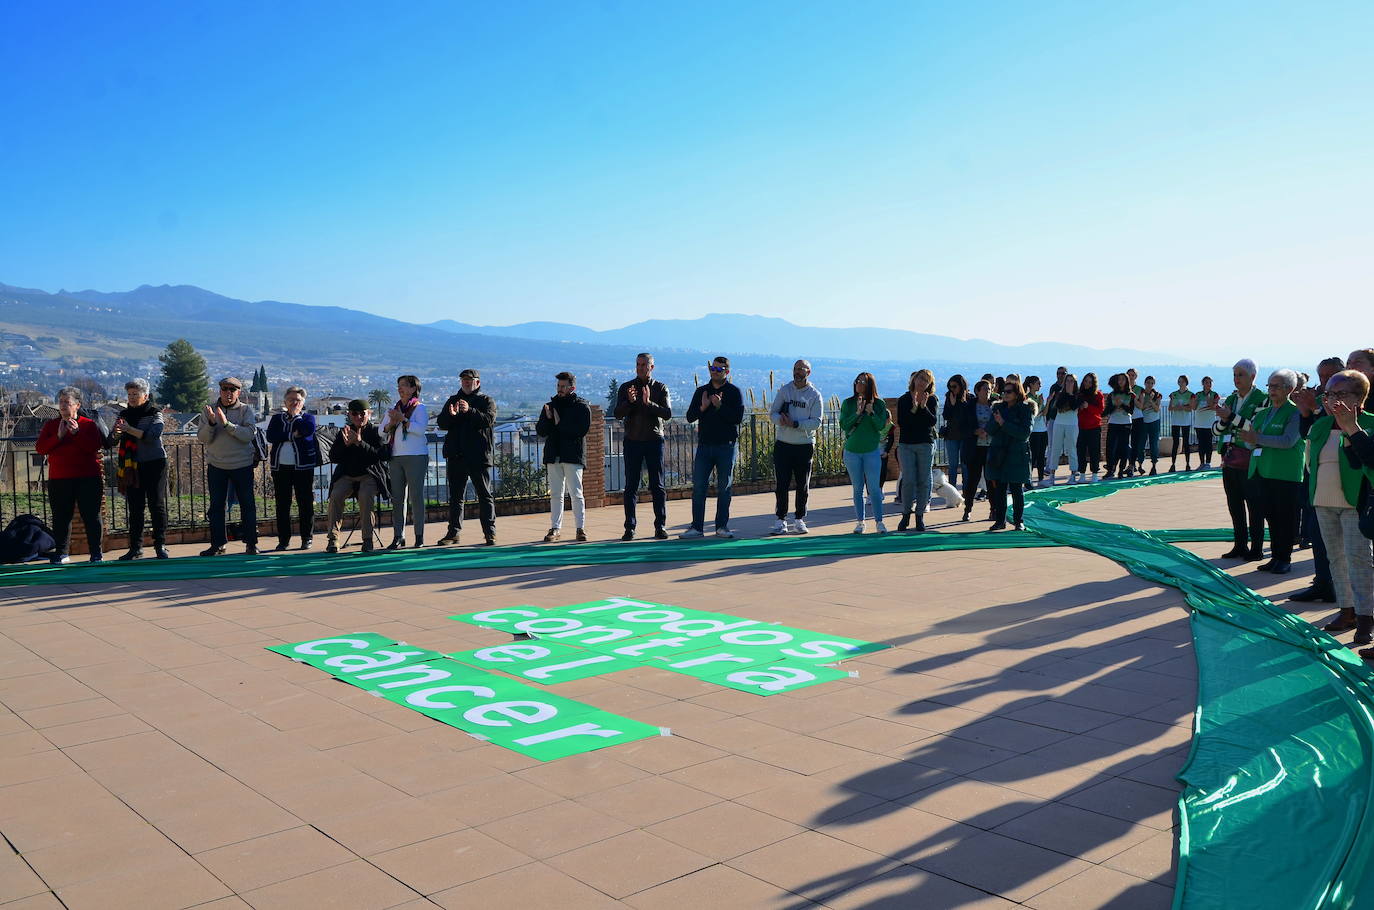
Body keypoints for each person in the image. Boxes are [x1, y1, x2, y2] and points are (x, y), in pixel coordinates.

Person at [1304, 370, 1374, 643]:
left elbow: (1366, 462)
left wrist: (1350, 428)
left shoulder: (1368, 424)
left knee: (1359, 559)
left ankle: (1366, 617)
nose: (1333, 400)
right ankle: (1347, 610)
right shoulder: (1321, 425)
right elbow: (1310, 462)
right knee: (1335, 557)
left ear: (1360, 399)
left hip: (1355, 502)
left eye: (1340, 394)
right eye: (1329, 394)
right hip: (1323, 499)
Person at [1290, 356, 1350, 604]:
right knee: (1318, 534)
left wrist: (1319, 412)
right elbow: (1310, 435)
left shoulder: (1349, 402)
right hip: (1317, 479)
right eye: (1322, 377)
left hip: (1345, 483)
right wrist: (1307, 412)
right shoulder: (1322, 401)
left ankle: (1348, 598)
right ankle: (1323, 583)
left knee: (1345, 545)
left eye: (1329, 376)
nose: (1324, 382)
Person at [1237, 369, 1305, 574]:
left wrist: (1257, 439)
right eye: (1270, 386)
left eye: (1277, 386)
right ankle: (1275, 557)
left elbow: (1287, 441)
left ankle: (1284, 558)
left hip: (1285, 474)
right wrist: (1250, 441)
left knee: (1285, 518)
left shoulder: (1295, 412)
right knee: (1271, 517)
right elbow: (1249, 440)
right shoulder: (1264, 413)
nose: (1272, 390)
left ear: (1290, 389)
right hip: (1262, 471)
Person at [35, 387, 105, 563]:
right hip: (59, 479)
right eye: (61, 402)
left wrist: (76, 433)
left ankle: (96, 553)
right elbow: (41, 448)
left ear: (77, 405)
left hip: (87, 478)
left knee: (91, 516)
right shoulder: (51, 425)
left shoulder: (88, 424)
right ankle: (62, 553)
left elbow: (93, 447)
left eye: (67, 402)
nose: (63, 406)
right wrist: (58, 436)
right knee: (61, 517)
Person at [683, 356, 746, 538]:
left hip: (726, 447)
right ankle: (696, 527)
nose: (715, 371)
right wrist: (703, 408)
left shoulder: (734, 392)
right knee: (699, 487)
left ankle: (722, 527)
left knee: (724, 487)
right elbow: (689, 417)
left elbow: (737, 418)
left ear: (727, 371)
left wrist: (719, 406)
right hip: (704, 446)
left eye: (719, 369)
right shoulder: (702, 391)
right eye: (713, 368)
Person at [197, 376, 259, 556]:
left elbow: (248, 435)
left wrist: (226, 424)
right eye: (225, 389)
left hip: (242, 464)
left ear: (238, 392)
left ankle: (251, 543)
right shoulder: (209, 410)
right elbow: (203, 438)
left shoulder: (245, 410)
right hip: (217, 465)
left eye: (232, 390)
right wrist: (211, 423)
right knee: (216, 507)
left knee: (247, 505)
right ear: (220, 391)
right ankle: (218, 544)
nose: (228, 393)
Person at [1214, 358, 1269, 560]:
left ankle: (1256, 548)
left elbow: (1254, 427)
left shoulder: (1262, 398)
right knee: (1234, 504)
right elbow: (1217, 429)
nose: (1236, 379)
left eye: (1241, 375)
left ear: (1252, 376)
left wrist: (1230, 418)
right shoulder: (1231, 399)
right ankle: (1239, 544)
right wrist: (1226, 419)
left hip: (1251, 459)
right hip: (1230, 458)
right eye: (1234, 374)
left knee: (1255, 506)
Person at [435, 369, 497, 546]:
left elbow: (488, 420)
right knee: (456, 497)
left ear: (477, 382)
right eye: (463, 380)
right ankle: (453, 533)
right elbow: (441, 423)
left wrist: (470, 411)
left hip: (478, 456)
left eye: (470, 380)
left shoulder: (486, 401)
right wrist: (451, 415)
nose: (466, 383)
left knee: (485, 495)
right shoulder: (453, 400)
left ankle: (490, 533)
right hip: (456, 456)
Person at [614, 353, 673, 540]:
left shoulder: (661, 387)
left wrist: (649, 403)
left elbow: (667, 413)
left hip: (654, 441)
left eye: (644, 365)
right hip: (633, 441)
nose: (640, 368)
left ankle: (660, 526)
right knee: (631, 486)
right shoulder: (626, 388)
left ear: (651, 367)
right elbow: (617, 413)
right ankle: (629, 527)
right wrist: (629, 402)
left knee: (657, 486)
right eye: (638, 365)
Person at [112, 378, 168, 560]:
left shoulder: (155, 413)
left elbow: (153, 435)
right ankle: (135, 548)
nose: (132, 398)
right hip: (132, 467)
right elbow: (113, 439)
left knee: (156, 505)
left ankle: (160, 545)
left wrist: (129, 429)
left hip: (155, 463)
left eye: (135, 394)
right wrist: (117, 432)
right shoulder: (124, 414)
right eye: (129, 394)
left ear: (145, 395)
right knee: (135, 508)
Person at [324, 399, 389, 553]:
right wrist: (345, 446)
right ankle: (333, 538)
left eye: (362, 414)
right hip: (347, 475)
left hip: (369, 475)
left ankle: (367, 539)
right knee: (336, 495)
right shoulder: (344, 431)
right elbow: (333, 457)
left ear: (369, 414)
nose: (359, 417)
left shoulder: (375, 432)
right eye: (355, 413)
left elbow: (379, 456)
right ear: (350, 415)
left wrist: (360, 443)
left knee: (366, 496)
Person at [536, 371, 592, 542]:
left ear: (572, 387)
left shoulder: (581, 407)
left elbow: (580, 430)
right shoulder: (549, 406)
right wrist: (548, 419)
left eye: (563, 386)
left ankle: (580, 528)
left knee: (576, 493)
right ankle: (555, 528)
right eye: (558, 386)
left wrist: (559, 423)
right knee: (556, 494)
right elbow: (541, 431)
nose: (559, 389)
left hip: (573, 456)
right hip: (554, 455)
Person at [769, 359, 823, 535]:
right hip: (783, 444)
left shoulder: (815, 395)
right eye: (795, 368)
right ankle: (780, 520)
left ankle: (799, 519)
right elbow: (773, 413)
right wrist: (781, 421)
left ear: (808, 372)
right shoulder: (785, 390)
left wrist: (796, 424)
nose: (797, 372)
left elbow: (817, 422)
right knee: (782, 484)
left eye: (801, 369)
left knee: (802, 485)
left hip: (804, 445)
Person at [265, 386, 319, 551]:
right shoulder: (276, 419)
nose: (294, 403)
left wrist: (296, 417)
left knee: (305, 503)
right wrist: (291, 435)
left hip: (303, 468)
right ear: (285, 402)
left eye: (298, 400)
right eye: (291, 400)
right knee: (282, 504)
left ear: (303, 402)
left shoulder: (308, 418)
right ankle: (283, 540)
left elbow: (306, 431)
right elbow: (271, 436)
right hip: (280, 468)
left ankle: (306, 538)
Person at [382, 374, 429, 550]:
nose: (400, 388)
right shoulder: (393, 409)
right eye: (399, 385)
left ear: (413, 389)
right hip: (396, 456)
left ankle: (419, 536)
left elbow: (420, 429)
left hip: (416, 456)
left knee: (416, 497)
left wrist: (403, 420)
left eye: (404, 385)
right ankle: (398, 536)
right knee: (398, 498)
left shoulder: (420, 408)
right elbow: (382, 431)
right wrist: (392, 422)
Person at [840, 372, 891, 534]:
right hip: (852, 452)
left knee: (874, 488)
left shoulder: (879, 404)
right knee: (857, 488)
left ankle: (879, 521)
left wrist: (871, 412)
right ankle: (860, 522)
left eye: (862, 381)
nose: (858, 384)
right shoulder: (848, 403)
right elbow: (845, 425)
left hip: (871, 451)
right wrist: (857, 413)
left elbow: (881, 427)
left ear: (870, 385)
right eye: (857, 381)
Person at [986, 378, 1034, 531]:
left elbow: (1024, 433)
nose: (1005, 394)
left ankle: (1019, 521)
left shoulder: (1026, 409)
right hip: (999, 454)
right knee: (999, 490)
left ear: (1017, 393)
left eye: (1009, 391)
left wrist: (1004, 424)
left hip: (1017, 455)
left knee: (1016, 490)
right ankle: (1000, 521)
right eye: (1004, 392)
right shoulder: (998, 408)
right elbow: (990, 429)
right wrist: (997, 421)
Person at [895, 369, 938, 532]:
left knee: (923, 480)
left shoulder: (932, 399)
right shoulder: (904, 399)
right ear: (914, 379)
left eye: (926, 380)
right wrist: (914, 407)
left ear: (929, 384)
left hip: (925, 444)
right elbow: (904, 422)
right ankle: (906, 514)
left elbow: (931, 421)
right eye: (920, 378)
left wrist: (923, 407)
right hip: (907, 444)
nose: (921, 382)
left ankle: (919, 515)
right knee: (909, 480)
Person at [961, 379, 995, 521]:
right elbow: (962, 426)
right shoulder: (969, 406)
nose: (987, 391)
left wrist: (989, 430)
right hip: (974, 448)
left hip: (990, 448)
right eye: (985, 389)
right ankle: (968, 509)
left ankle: (993, 509)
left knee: (991, 481)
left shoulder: (995, 405)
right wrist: (975, 431)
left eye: (989, 389)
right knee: (972, 481)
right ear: (977, 391)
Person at [1044, 373, 1080, 484]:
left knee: (1072, 449)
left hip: (1072, 424)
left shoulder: (1078, 395)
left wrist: (1069, 394)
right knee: (1055, 449)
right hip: (1059, 424)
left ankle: (1073, 475)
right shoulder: (1059, 394)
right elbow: (1059, 407)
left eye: (1072, 381)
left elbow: (1074, 406)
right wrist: (1066, 399)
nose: (1069, 383)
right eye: (1068, 381)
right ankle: (1052, 476)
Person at [941, 375, 974, 489]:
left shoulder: (970, 398)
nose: (952, 389)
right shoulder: (949, 397)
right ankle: (952, 490)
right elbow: (946, 416)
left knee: (965, 465)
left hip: (965, 436)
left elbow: (969, 418)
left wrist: (963, 403)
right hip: (951, 436)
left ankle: (966, 489)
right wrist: (952, 404)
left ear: (961, 386)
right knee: (953, 465)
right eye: (950, 387)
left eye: (954, 386)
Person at [1103, 373, 1136, 479]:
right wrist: (1114, 406)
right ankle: (1110, 470)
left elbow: (1131, 411)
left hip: (1125, 423)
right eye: (1119, 379)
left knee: (1123, 448)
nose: (1121, 381)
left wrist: (1121, 404)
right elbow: (1106, 411)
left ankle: (1121, 470)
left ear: (1127, 381)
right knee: (1110, 448)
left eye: (1123, 379)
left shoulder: (1131, 395)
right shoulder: (1111, 395)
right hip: (1113, 423)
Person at [1077, 372, 1104, 480]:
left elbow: (1100, 411)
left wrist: (1088, 407)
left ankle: (1094, 474)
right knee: (1081, 451)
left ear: (1093, 383)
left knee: (1094, 451)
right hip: (1081, 427)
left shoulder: (1098, 395)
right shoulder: (1079, 394)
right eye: (1086, 381)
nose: (1087, 384)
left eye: (1090, 382)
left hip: (1094, 427)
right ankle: (1082, 474)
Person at [1167, 376, 1195, 472]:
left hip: (1185, 422)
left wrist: (1182, 407)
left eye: (1182, 381)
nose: (1181, 383)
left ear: (1186, 382)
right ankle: (1173, 464)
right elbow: (1170, 408)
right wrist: (1177, 407)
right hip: (1175, 421)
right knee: (1175, 443)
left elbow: (1191, 408)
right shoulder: (1173, 394)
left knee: (1186, 443)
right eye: (1179, 381)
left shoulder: (1191, 395)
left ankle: (1187, 464)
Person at [1025, 376, 1048, 485]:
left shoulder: (1039, 397)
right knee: (1033, 456)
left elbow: (1044, 412)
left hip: (1042, 429)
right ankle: (1028, 479)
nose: (1040, 386)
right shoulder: (1027, 398)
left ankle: (1040, 478)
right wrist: (1039, 403)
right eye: (1038, 383)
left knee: (1041, 455)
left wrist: (1048, 402)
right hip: (1034, 431)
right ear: (1032, 384)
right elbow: (1034, 414)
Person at [1138, 376, 1163, 474]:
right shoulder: (1142, 394)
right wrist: (1146, 402)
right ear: (1145, 383)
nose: (1150, 385)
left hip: (1154, 421)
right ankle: (1140, 464)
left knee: (1154, 444)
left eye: (1152, 383)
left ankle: (1154, 466)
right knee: (1141, 444)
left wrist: (1151, 401)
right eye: (1148, 382)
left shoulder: (1157, 394)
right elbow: (1141, 408)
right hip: (1143, 422)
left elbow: (1157, 408)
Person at [1193, 376, 1219, 468]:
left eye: (1210, 382)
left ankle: (1208, 463)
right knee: (1201, 444)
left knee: (1208, 444)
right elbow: (1194, 407)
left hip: (1209, 424)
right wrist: (1195, 401)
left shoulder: (1214, 394)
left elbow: (1215, 407)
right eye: (1207, 382)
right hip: (1199, 424)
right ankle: (1201, 463)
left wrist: (1210, 402)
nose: (1209, 384)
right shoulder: (1198, 394)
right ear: (1203, 384)